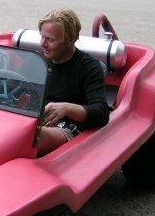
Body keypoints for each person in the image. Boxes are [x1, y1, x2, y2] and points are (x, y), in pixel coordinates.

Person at [37, 9, 109, 156]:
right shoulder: (37, 60)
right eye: (42, 37)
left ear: (71, 39)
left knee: (31, 137)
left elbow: (102, 113)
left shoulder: (89, 67)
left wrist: (67, 108)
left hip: (68, 128)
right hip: (36, 120)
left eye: (50, 39)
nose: (43, 44)